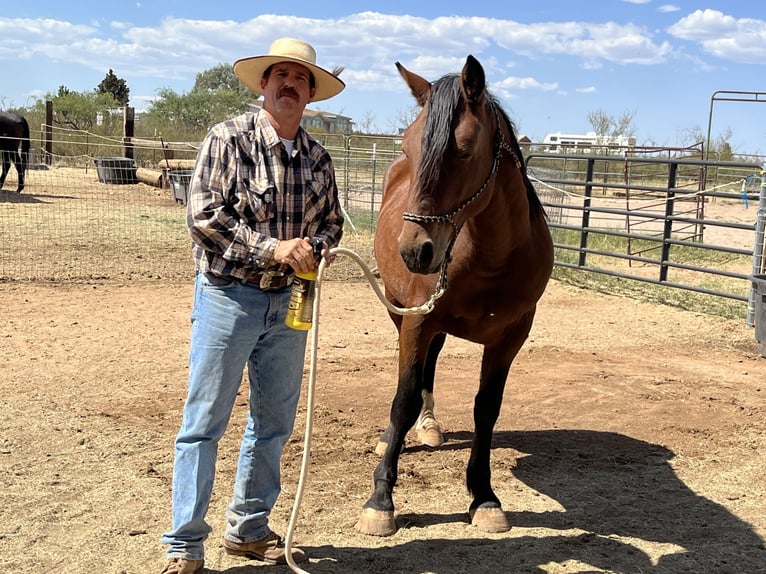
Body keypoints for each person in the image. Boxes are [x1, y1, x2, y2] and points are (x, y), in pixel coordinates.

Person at [160, 38, 345, 574]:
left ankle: (248, 528)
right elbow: (205, 218)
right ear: (263, 84)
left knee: (273, 423)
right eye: (280, 74)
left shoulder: (317, 157)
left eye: (300, 77)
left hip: (290, 305)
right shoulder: (227, 139)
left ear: (310, 93)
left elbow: (331, 223)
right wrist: (274, 249)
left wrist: (320, 250)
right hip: (228, 297)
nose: (289, 83)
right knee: (204, 422)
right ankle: (185, 543)